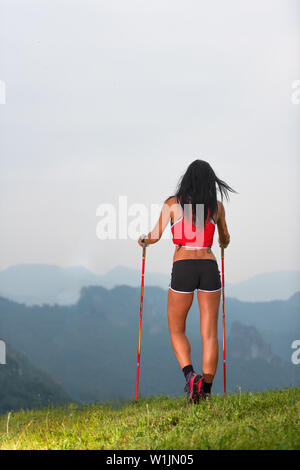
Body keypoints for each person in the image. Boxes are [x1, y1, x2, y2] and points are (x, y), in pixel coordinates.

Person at [138, 159, 237, 403]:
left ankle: (191, 376)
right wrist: (223, 241)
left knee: (176, 328)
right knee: (210, 333)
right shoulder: (217, 207)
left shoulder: (172, 204)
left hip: (183, 266)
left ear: (187, 179)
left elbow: (155, 236)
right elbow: (224, 238)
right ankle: (205, 392)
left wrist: (144, 240)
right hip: (208, 265)